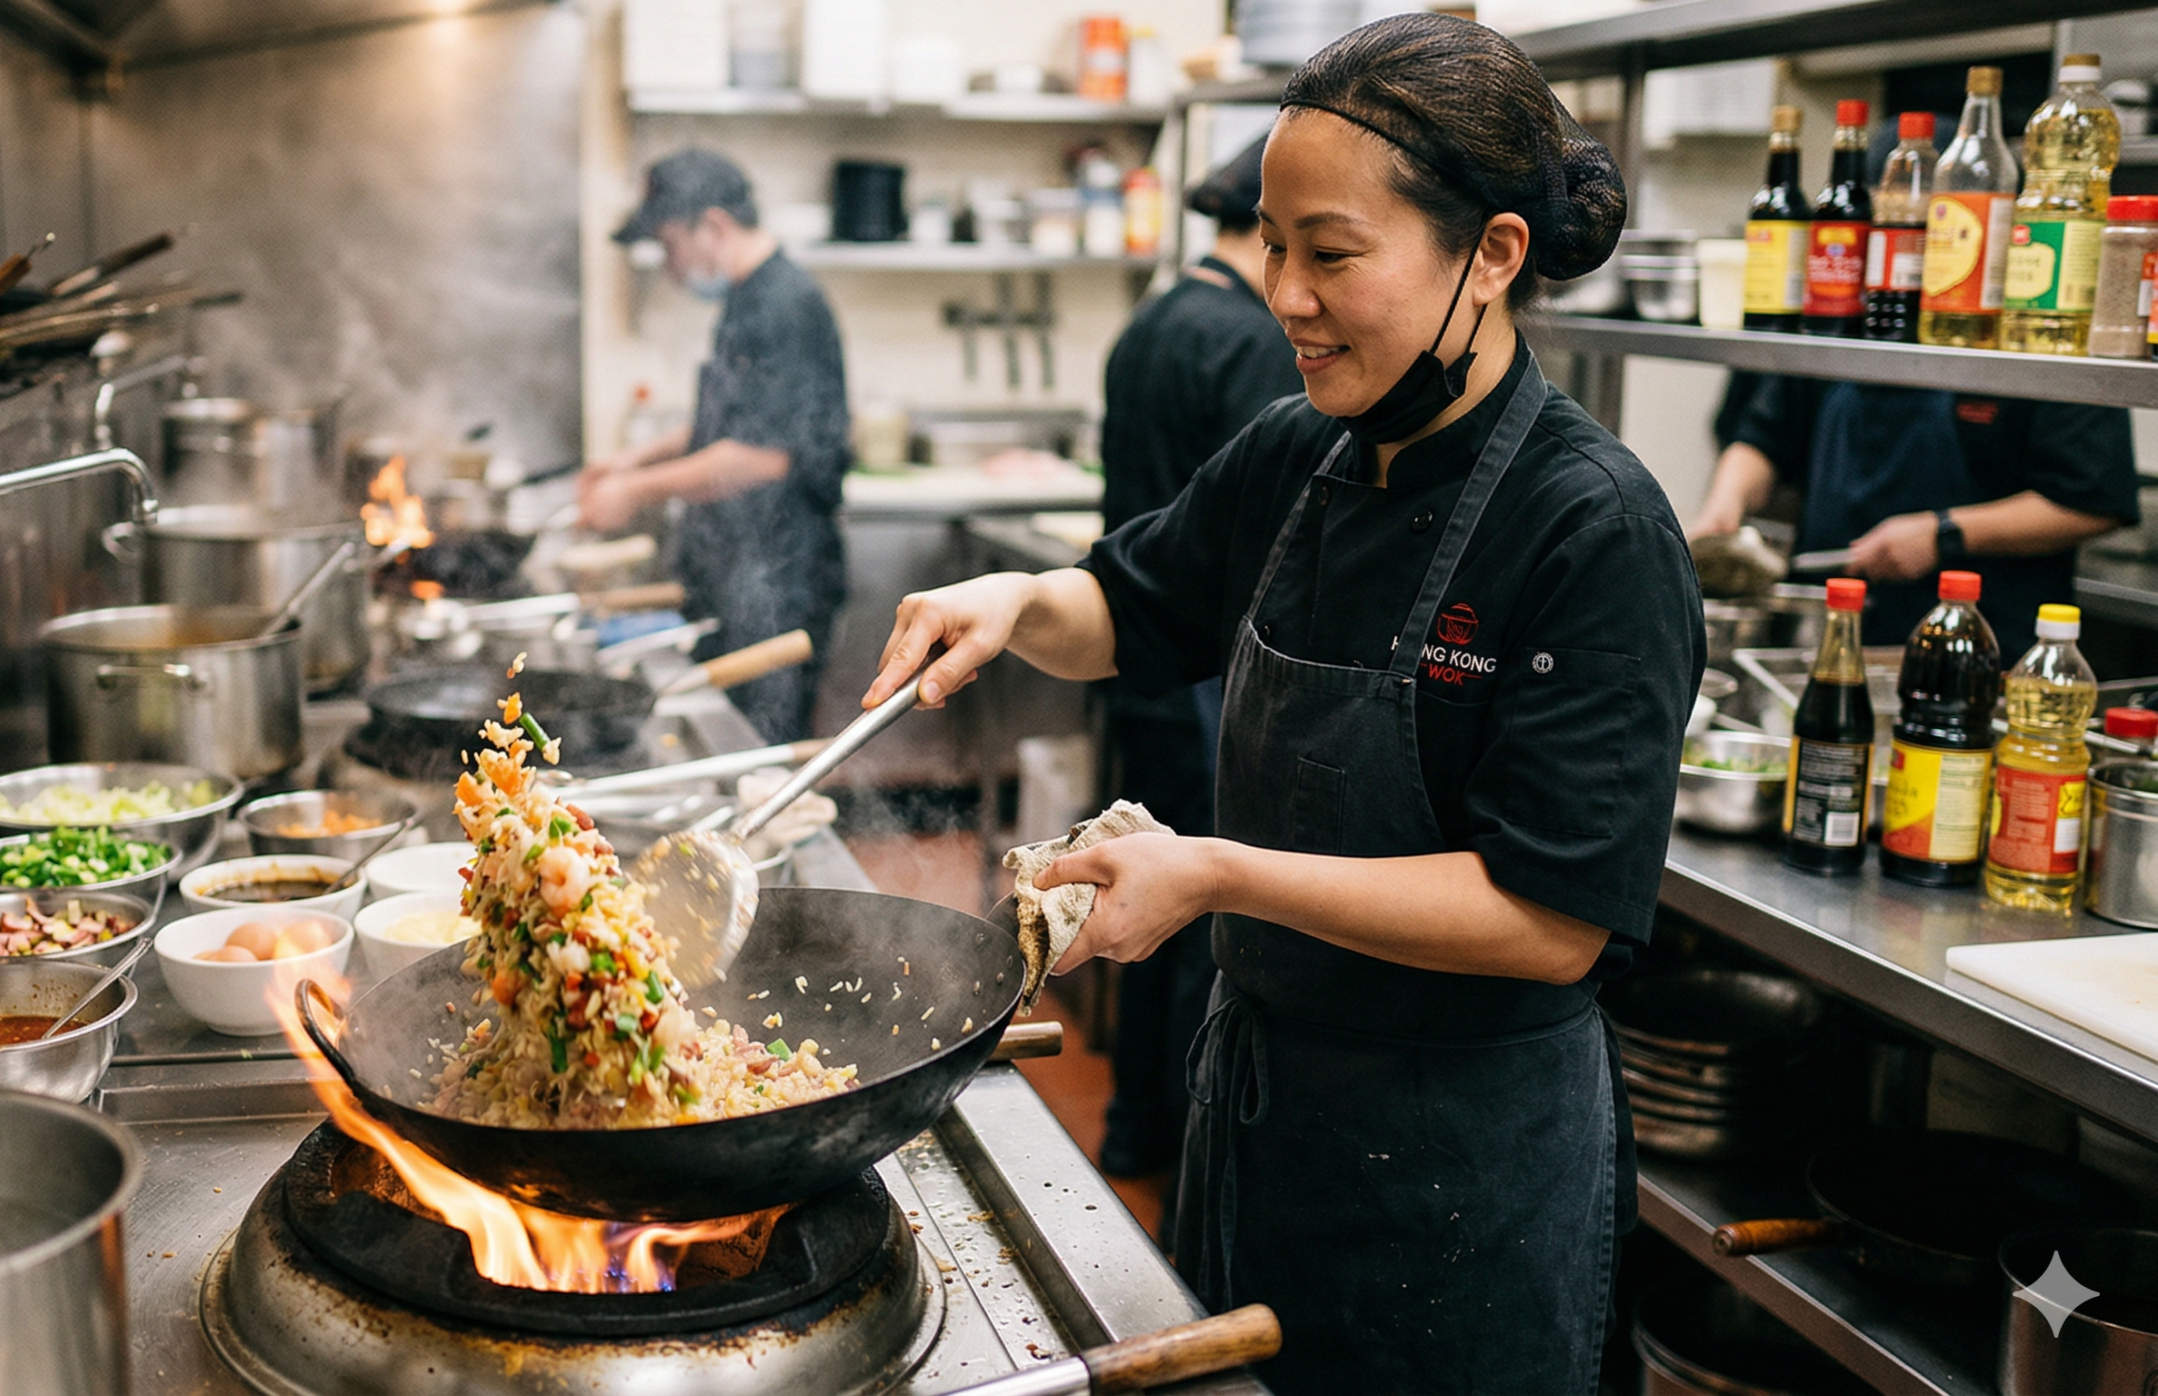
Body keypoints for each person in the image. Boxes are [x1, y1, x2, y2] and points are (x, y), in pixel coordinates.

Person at [862, 16, 1700, 1391]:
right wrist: (1017, 598)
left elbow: (1550, 922)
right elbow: (1127, 613)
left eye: (1332, 253)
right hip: (1267, 1114)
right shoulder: (1303, 453)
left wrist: (1216, 876)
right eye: (1272, 244)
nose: (1284, 295)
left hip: (1462, 1173)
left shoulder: (1589, 526)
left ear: (1490, 256)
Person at [1090, 132, 1299, 1184]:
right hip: (1212, 674)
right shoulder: (1252, 348)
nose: (1297, 294)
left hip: (1142, 656)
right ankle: (1175, 1145)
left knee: (1144, 902)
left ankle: (1133, 1122)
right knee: (1186, 912)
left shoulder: (1155, 319)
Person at [584, 149, 852, 741]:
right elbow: (730, 425)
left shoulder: (785, 304)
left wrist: (634, 490)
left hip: (779, 584)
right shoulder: (746, 298)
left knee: (754, 753)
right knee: (723, 740)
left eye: (670, 245)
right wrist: (631, 459)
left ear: (714, 226)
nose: (670, 266)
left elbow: (763, 455)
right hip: (739, 575)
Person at [1689, 376, 2137, 646]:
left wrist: (1943, 531)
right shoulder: (1849, 301)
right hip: (1826, 635)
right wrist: (1724, 506)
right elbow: (1764, 438)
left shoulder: (2032, 318)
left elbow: (2091, 500)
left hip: (1981, 649)